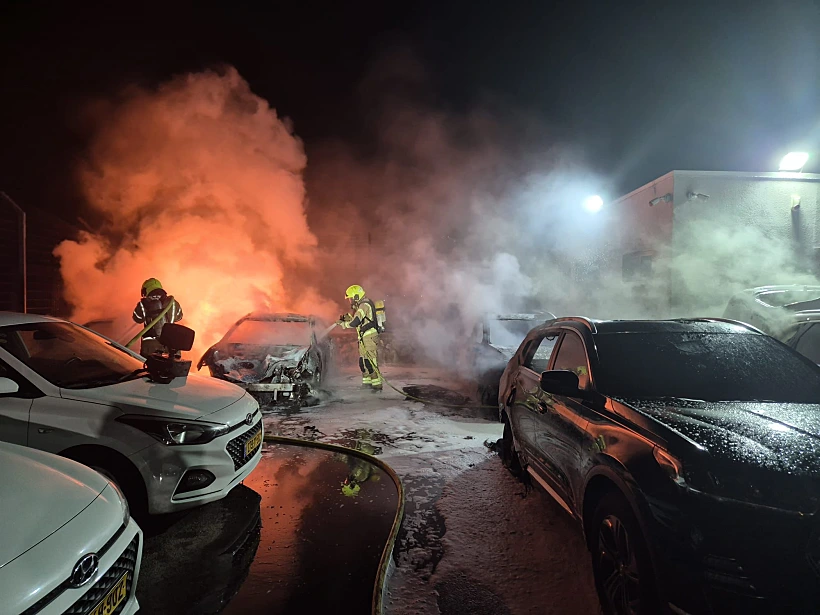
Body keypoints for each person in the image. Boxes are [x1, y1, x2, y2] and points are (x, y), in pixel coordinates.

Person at [338, 284, 383, 390]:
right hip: (364, 338)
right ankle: (367, 384)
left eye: (350, 298)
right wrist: (347, 318)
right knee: (363, 362)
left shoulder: (364, 305)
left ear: (356, 296)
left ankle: (377, 386)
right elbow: (358, 319)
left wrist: (344, 324)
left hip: (369, 337)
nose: (350, 301)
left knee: (370, 362)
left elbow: (356, 322)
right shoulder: (361, 306)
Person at [132, 278, 183, 357]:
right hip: (171, 344)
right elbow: (179, 317)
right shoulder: (172, 302)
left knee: (149, 367)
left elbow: (137, 318)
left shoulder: (143, 304)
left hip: (150, 346)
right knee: (170, 367)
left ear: (145, 291)